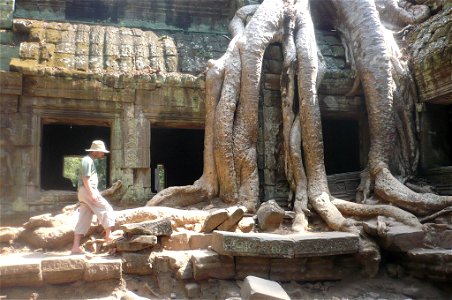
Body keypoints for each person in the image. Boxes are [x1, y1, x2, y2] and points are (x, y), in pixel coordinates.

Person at [71, 140, 115, 254]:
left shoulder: (89, 161)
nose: (103, 154)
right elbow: (85, 179)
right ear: (96, 151)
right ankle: (109, 236)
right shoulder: (87, 160)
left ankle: (75, 247)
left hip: (84, 192)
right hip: (87, 190)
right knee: (107, 208)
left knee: (83, 218)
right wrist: (92, 194)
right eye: (102, 152)